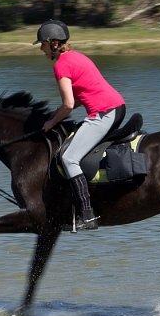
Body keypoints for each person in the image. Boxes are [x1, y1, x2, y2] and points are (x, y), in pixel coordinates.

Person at [34, 19, 126, 231]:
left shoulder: (61, 66)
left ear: (54, 43)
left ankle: (88, 215)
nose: (41, 49)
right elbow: (76, 100)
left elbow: (68, 104)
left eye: (43, 44)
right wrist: (53, 116)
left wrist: (50, 124)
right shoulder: (76, 57)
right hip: (115, 106)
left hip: (105, 112)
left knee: (68, 158)